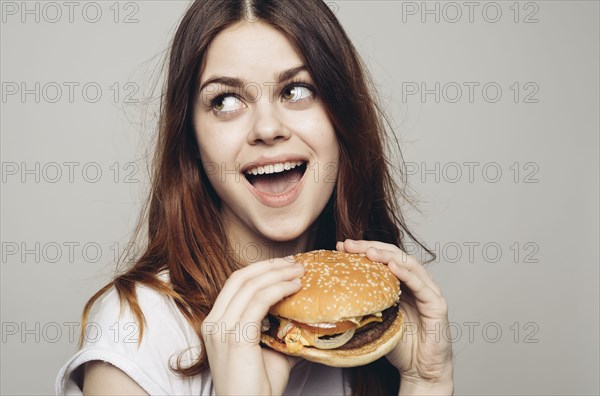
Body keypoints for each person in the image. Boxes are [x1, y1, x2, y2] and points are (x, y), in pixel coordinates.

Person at [55, 0, 453, 394]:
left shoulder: (374, 317)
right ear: (191, 139)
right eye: (226, 101)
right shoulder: (135, 331)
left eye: (297, 90)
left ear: (342, 116)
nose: (267, 127)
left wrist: (426, 382)